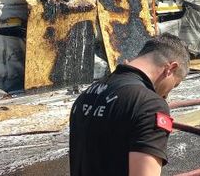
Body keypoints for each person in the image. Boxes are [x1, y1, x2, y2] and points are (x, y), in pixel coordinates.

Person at [69, 34, 191, 176]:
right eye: (174, 85)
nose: (166, 95)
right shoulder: (150, 105)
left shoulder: (87, 94)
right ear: (170, 68)